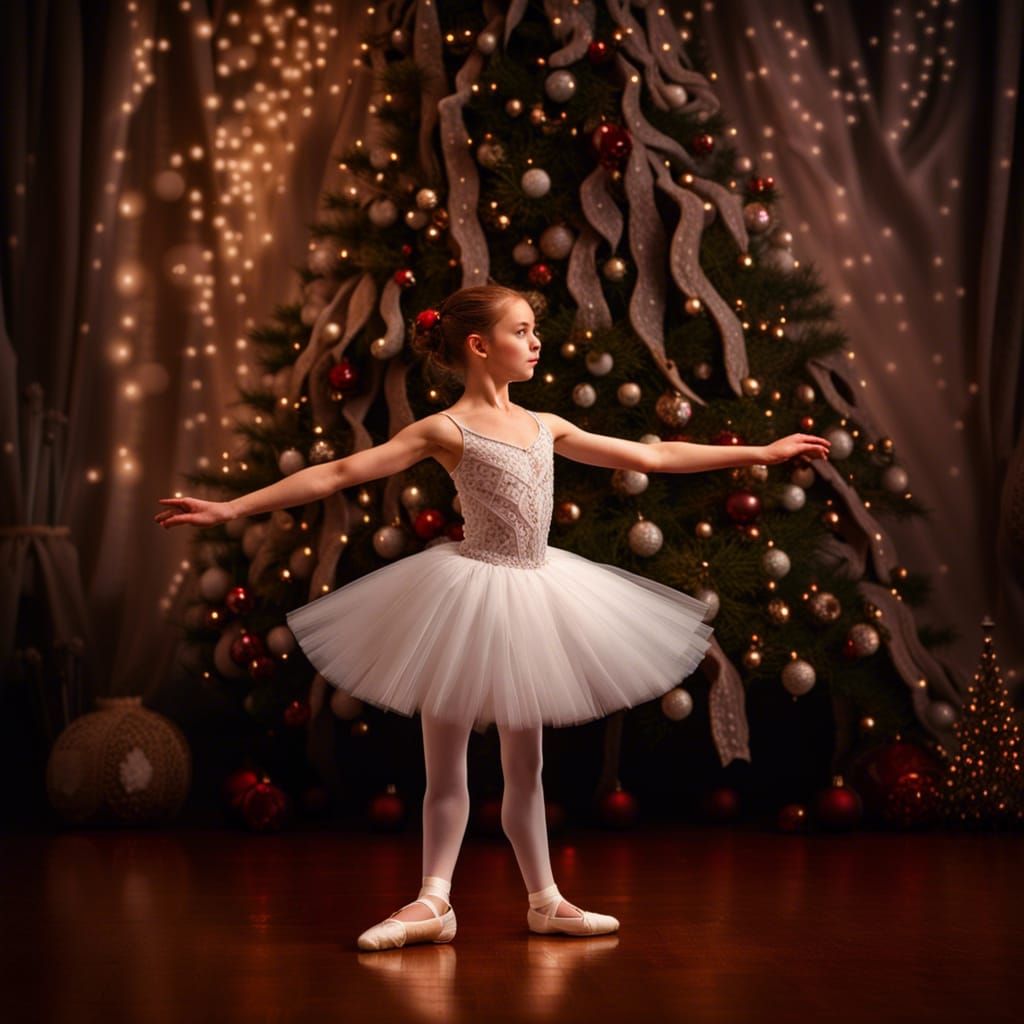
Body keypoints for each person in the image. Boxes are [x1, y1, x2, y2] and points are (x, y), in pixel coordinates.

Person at [155, 283, 830, 950]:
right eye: (522, 331)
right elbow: (338, 474)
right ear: (479, 346)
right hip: (463, 598)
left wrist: (759, 453)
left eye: (535, 331)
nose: (536, 343)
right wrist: (230, 508)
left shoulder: (548, 426)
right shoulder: (445, 428)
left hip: (536, 594)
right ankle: (433, 899)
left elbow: (653, 455)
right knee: (446, 768)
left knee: (525, 767)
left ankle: (546, 900)